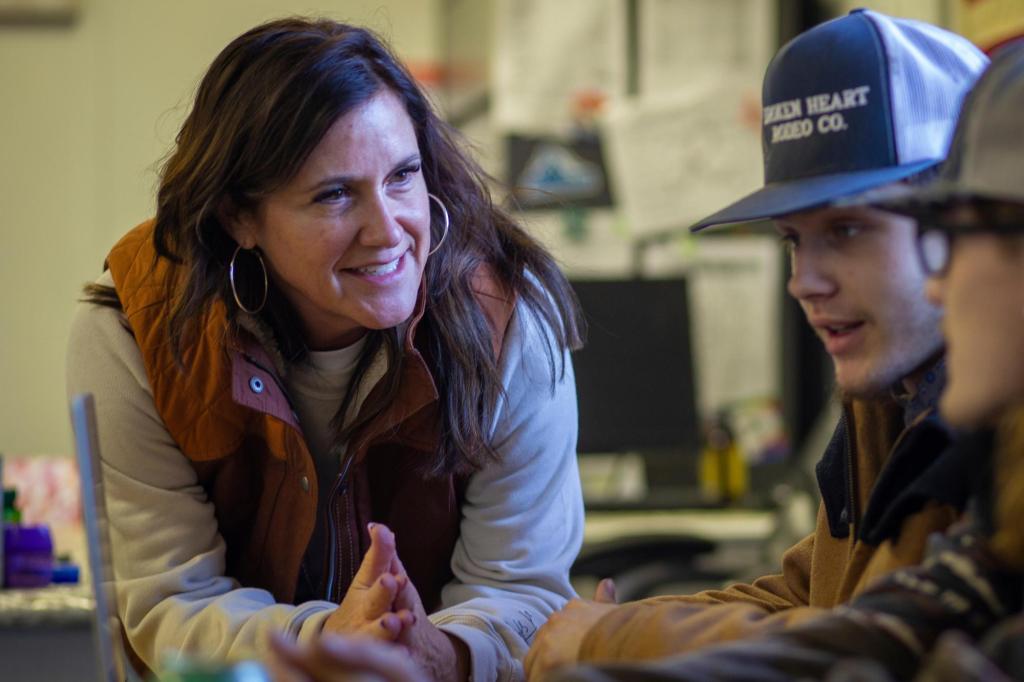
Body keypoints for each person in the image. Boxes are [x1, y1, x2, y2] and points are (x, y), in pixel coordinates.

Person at [65, 18, 585, 682]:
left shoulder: (507, 318)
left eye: (403, 176)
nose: (389, 231)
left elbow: (522, 589)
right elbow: (167, 599)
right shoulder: (135, 329)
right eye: (335, 194)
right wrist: (325, 641)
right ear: (238, 217)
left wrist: (443, 651)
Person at [524, 10, 989, 680]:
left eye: (847, 231)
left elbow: (885, 645)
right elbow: (814, 596)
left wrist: (614, 638)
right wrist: (597, 629)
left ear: (961, 225)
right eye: (794, 240)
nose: (804, 281)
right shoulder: (888, 398)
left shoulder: (990, 424)